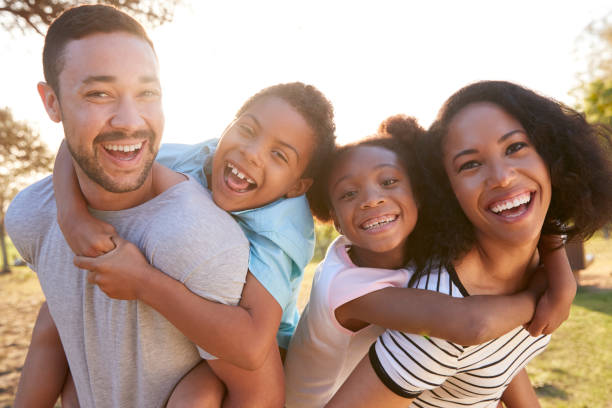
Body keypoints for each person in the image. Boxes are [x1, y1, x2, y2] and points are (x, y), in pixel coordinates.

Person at [6, 4, 250, 407]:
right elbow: (61, 323)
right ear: (51, 103)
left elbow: (253, 389)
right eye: (98, 93)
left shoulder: (198, 239)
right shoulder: (31, 217)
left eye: (147, 92)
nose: (130, 120)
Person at [326, 81, 612, 407]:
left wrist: (561, 279)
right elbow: (470, 337)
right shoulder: (438, 324)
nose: (502, 176)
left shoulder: (536, 249)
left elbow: (499, 364)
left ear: (550, 154)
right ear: (446, 190)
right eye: (470, 164)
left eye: (515, 147)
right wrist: (543, 292)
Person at [284, 115, 574, 407]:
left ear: (419, 195)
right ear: (336, 221)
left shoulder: (419, 247)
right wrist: (543, 294)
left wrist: (559, 272)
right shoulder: (345, 285)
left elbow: (540, 221)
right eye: (349, 193)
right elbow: (472, 325)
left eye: (388, 181)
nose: (371, 200)